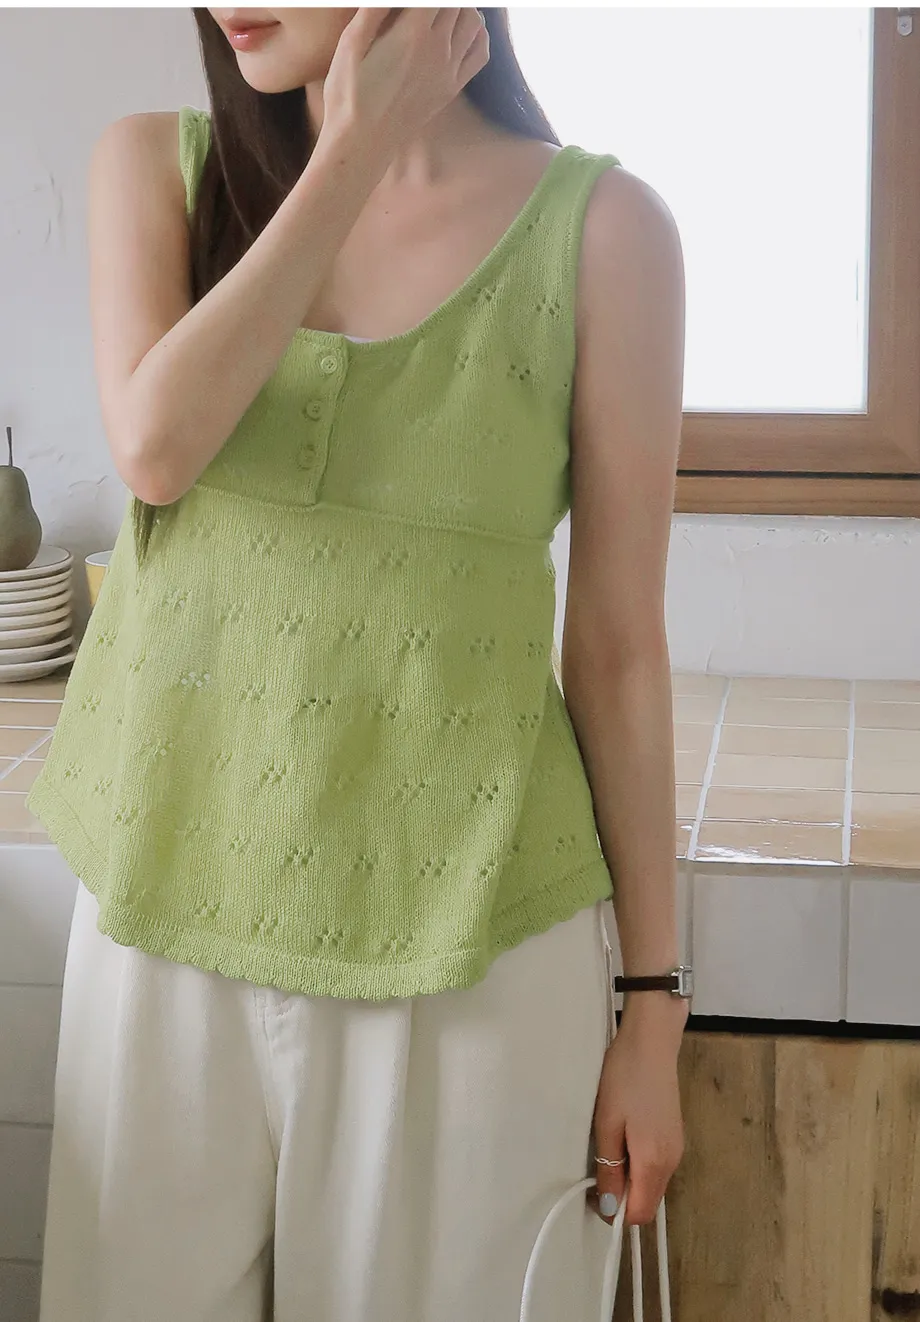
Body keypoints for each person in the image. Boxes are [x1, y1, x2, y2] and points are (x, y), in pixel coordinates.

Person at [27, 8, 688, 1321]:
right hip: (160, 902)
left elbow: (617, 650)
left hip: (475, 938)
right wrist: (352, 152)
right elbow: (156, 446)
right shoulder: (152, 167)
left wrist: (654, 1011)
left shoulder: (607, 233)